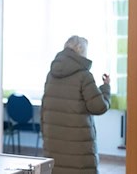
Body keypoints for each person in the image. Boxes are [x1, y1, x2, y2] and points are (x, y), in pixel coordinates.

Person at [41, 35, 111, 174]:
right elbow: (99, 107)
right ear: (82, 52)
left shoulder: (51, 74)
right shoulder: (84, 76)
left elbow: (44, 108)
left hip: (54, 144)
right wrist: (106, 87)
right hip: (78, 150)